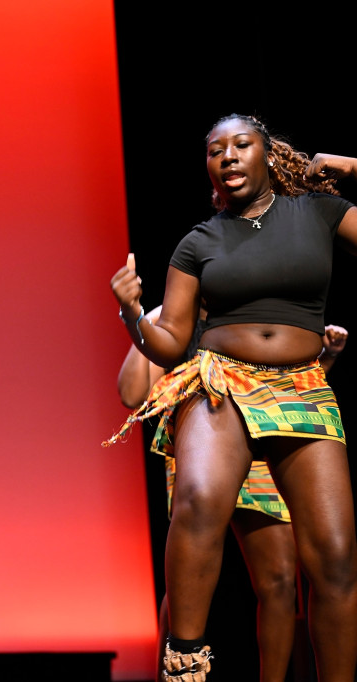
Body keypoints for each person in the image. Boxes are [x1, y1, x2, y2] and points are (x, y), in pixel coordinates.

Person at [108, 113, 357, 681]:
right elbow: (170, 343)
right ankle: (186, 666)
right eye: (216, 149)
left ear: (268, 155)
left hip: (302, 384)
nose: (228, 155)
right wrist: (129, 313)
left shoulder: (320, 212)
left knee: (335, 557)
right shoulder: (199, 241)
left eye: (242, 144)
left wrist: (352, 167)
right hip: (223, 379)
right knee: (196, 499)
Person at [119, 307, 348, 682]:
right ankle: (173, 675)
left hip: (262, 440)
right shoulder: (178, 314)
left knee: (278, 579)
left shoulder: (260, 306)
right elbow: (131, 392)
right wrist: (141, 317)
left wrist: (328, 356)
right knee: (185, 582)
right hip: (202, 442)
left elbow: (290, 387)